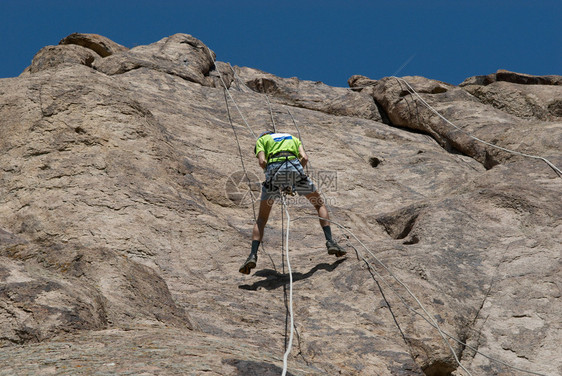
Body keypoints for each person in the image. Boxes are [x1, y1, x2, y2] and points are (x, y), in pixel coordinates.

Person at [239, 131, 346, 274]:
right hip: (295, 169)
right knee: (319, 204)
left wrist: (271, 174)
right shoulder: (293, 138)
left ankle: (253, 255)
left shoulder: (262, 139)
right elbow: (305, 158)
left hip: (274, 172)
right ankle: (330, 241)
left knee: (262, 219)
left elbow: (262, 161)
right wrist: (294, 176)